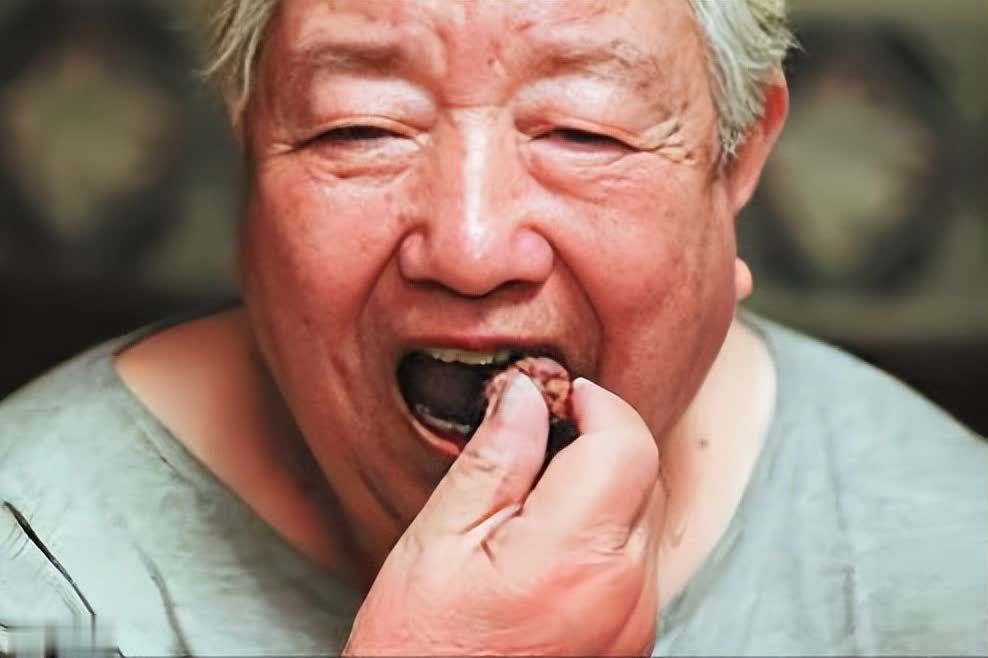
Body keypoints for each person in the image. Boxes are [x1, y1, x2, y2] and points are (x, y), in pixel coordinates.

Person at [1, 0, 984, 655]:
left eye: (583, 130)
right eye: (359, 126)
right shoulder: (39, 569)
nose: (470, 249)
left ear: (733, 165)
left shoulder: (949, 562)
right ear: (249, 159)